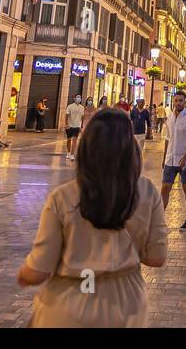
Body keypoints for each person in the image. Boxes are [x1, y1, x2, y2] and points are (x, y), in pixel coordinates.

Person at [17, 107, 168, 326]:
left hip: (69, 304)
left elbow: (37, 271)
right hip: (127, 306)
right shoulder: (147, 192)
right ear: (131, 148)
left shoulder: (63, 197)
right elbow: (156, 257)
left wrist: (23, 274)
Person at [161, 90, 186, 231]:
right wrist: (164, 157)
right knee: (165, 188)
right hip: (170, 159)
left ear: (185, 102)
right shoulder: (169, 116)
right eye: (176, 100)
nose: (178, 103)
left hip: (185, 160)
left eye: (181, 100)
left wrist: (185, 157)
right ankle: (160, 219)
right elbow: (167, 138)